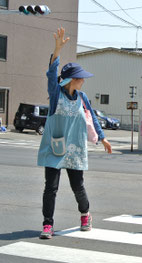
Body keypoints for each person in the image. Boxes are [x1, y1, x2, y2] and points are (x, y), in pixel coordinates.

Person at [37, 28, 112, 239]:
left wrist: (103, 138)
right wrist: (57, 50)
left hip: (75, 149)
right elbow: (52, 74)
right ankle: (47, 225)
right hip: (55, 147)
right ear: (71, 80)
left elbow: (92, 118)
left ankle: (85, 214)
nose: (83, 80)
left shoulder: (83, 97)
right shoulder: (55, 94)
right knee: (50, 188)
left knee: (77, 186)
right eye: (80, 78)